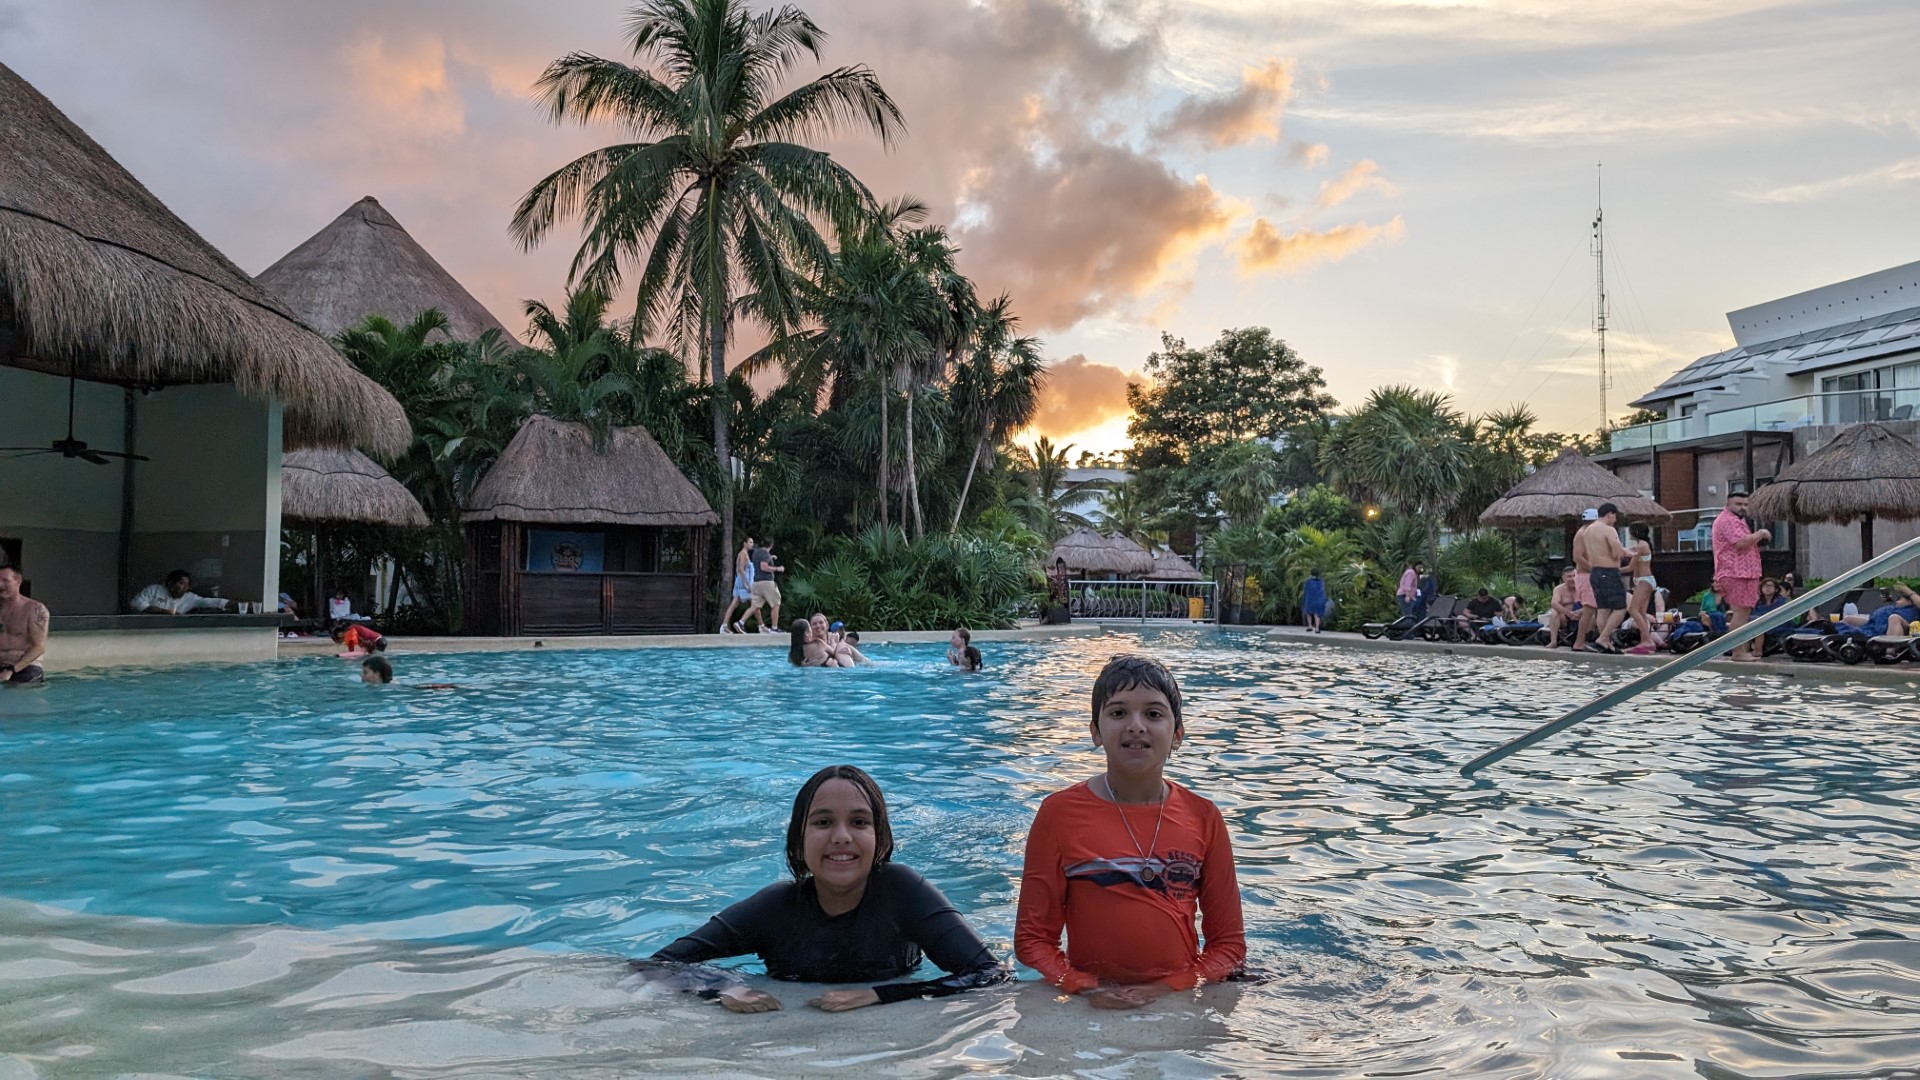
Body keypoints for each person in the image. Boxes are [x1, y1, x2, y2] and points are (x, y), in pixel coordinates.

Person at [634, 765, 1008, 1012]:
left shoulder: (903, 891)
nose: (841, 837)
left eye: (859, 822)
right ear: (798, 841)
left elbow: (991, 973)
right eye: (823, 822)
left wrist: (880, 994)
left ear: (880, 839)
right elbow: (654, 964)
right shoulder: (775, 907)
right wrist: (722, 987)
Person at [1015, 654, 1245, 1009]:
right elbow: (1032, 940)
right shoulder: (1058, 815)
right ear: (1095, 731)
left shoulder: (1204, 817)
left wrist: (1171, 987)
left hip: (1177, 991)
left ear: (1178, 735)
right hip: (1091, 995)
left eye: (1153, 714)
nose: (1136, 725)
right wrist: (1085, 987)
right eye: (1119, 713)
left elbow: (1228, 945)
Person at [1712, 489, 1771, 661]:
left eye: (1745, 504)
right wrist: (1761, 533)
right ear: (1727, 504)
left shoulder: (1736, 521)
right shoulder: (1728, 521)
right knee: (1740, 613)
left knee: (1741, 613)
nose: (1743, 507)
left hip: (1740, 572)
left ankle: (1740, 650)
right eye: (1738, 504)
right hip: (1736, 572)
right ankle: (1738, 652)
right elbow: (1740, 543)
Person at [1574, 504, 1630, 653]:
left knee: (1603, 609)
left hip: (1595, 573)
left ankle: (1606, 643)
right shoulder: (1608, 529)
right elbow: (1617, 553)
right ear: (1610, 514)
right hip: (1608, 571)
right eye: (1615, 517)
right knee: (1620, 607)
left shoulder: (1587, 531)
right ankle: (1603, 638)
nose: (1615, 520)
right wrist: (1627, 553)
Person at [0, 566, 49, 687]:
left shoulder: (35, 609)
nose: (0, 584)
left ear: (18, 581)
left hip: (25, 666)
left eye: (5, 581)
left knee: (16, 692)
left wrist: (12, 669)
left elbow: (38, 647)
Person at [1624, 522, 1659, 655]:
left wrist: (1614, 570)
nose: (1629, 533)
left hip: (1644, 580)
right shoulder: (1642, 545)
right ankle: (1645, 640)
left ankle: (1648, 640)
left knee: (1633, 609)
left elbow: (1630, 567)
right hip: (1644, 580)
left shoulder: (1641, 546)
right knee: (1641, 612)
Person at [129, 570, 228, 615]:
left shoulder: (190, 598)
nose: (185, 588)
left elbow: (212, 602)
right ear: (171, 583)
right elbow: (136, 603)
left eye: (187, 585)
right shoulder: (154, 590)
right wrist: (165, 612)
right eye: (181, 583)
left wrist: (236, 604)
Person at [743, 541, 785, 634]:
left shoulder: (756, 552)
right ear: (771, 545)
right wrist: (778, 568)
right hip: (766, 582)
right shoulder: (765, 553)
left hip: (756, 583)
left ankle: (740, 622)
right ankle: (774, 628)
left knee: (755, 606)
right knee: (776, 603)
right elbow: (764, 567)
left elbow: (760, 562)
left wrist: (770, 557)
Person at [720, 535, 756, 635]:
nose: (751, 544)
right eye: (750, 542)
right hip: (742, 582)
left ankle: (724, 626)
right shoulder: (743, 554)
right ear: (744, 543)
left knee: (734, 604)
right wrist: (746, 584)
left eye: (752, 542)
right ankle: (741, 623)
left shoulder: (744, 554)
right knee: (756, 604)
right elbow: (741, 569)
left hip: (739, 581)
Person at [1545, 566, 1579, 647]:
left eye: (1574, 576)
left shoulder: (1582, 588)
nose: (1572, 579)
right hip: (1565, 619)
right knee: (1554, 612)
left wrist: (1579, 612)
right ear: (1563, 578)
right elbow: (1554, 603)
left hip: (1580, 617)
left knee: (1591, 613)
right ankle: (1553, 641)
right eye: (1569, 576)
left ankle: (1584, 640)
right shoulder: (1559, 589)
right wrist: (1568, 613)